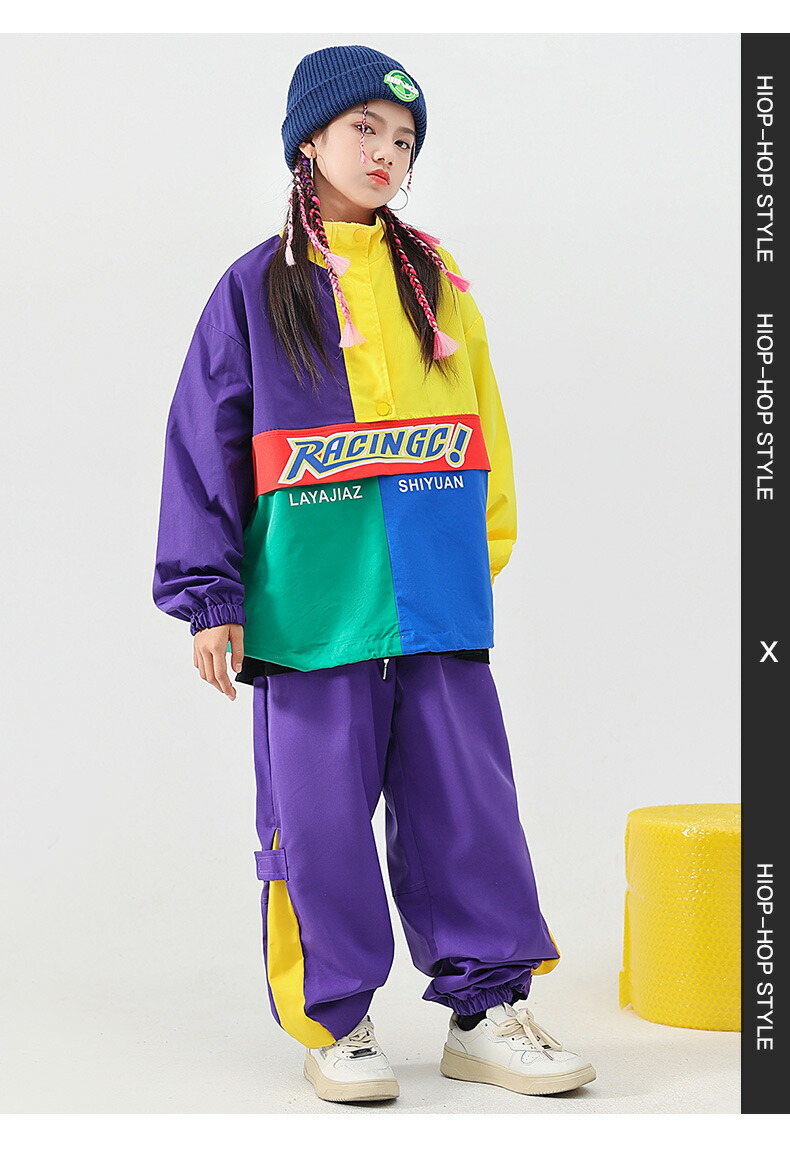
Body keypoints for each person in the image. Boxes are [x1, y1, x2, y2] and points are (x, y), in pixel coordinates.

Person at [152, 43, 596, 1105]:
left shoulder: (438, 284)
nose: (387, 151)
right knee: (315, 822)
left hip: (437, 603)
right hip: (311, 612)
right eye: (365, 129)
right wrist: (210, 596)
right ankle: (336, 1021)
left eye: (404, 138)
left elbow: (483, 427)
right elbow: (204, 445)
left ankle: (486, 1012)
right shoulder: (256, 288)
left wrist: (475, 557)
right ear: (309, 139)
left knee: (468, 810)